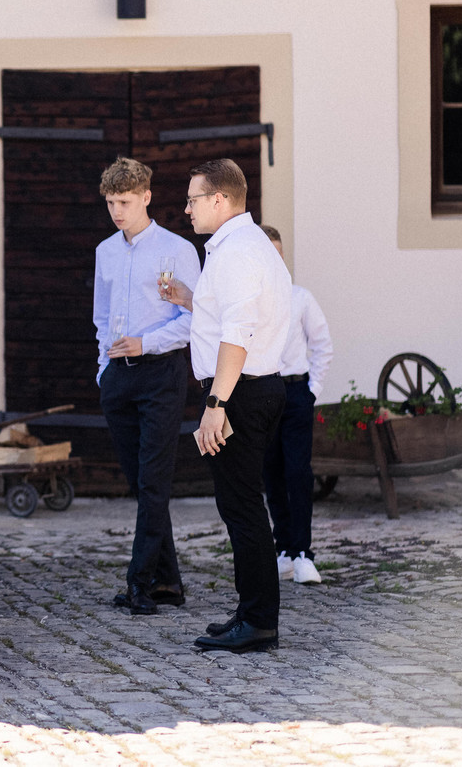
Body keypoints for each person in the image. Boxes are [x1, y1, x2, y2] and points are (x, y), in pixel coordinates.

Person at [160, 158, 291, 653]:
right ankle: (250, 611)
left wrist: (216, 402)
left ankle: (258, 623)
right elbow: (232, 315)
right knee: (239, 505)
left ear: (220, 199)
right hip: (253, 387)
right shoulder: (246, 246)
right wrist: (194, 300)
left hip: (240, 391)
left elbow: (239, 335)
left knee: (242, 508)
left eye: (193, 199)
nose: (187, 209)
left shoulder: (236, 252)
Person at [91, 158, 202, 616]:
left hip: (162, 373)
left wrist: (147, 342)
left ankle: (139, 584)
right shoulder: (106, 251)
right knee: (142, 483)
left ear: (146, 198)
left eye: (125, 202)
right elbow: (101, 316)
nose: (117, 211)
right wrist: (103, 369)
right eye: (111, 203)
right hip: (119, 376)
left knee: (154, 481)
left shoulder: (179, 250)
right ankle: (169, 582)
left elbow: (196, 320)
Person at [259, 225, 332, 586]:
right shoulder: (251, 301)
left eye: (277, 252)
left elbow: (322, 345)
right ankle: (284, 550)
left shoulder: (300, 297)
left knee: (298, 473)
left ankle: (304, 553)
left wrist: (312, 390)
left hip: (296, 393)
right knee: (271, 471)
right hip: (263, 394)